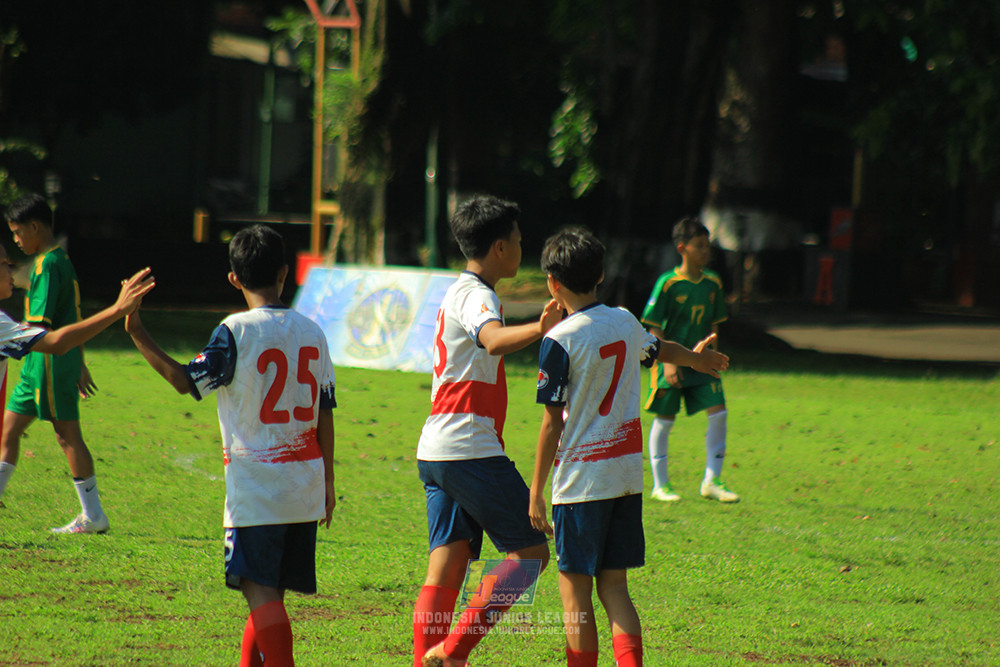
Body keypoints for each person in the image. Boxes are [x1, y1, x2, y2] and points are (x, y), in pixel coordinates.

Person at [124, 224, 336, 667]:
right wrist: (328, 483)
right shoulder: (313, 331)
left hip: (257, 491)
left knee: (259, 593)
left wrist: (137, 330)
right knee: (268, 594)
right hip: (304, 485)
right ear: (285, 272)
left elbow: (186, 381)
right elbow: (324, 412)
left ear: (234, 279)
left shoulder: (234, 330)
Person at [528, 227, 729, 667]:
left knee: (575, 591)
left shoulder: (558, 340)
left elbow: (549, 426)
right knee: (615, 588)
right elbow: (659, 350)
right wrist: (698, 360)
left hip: (580, 485)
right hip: (624, 479)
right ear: (600, 275)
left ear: (552, 283)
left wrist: (536, 491)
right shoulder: (623, 319)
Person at [414, 195, 563, 667]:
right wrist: (540, 328)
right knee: (533, 554)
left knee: (449, 563)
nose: (523, 248)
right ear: (500, 247)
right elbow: (493, 339)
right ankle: (451, 652)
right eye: (519, 241)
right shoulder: (478, 295)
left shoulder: (457, 290)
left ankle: (427, 661)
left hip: (438, 446)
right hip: (467, 447)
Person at [0, 193, 131, 533]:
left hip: (48, 362)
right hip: (40, 362)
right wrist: (81, 359)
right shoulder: (61, 259)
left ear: (34, 226)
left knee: (66, 434)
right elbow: (72, 315)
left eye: (17, 232)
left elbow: (42, 328)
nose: (15, 240)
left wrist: (71, 358)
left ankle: (93, 515)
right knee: (8, 431)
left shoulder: (46, 264)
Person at [0, 243, 154, 515]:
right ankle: (93, 515)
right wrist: (118, 310)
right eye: (5, 264)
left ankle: (92, 515)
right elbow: (56, 342)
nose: (12, 270)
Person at [641, 217, 739, 503]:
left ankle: (712, 480)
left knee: (719, 412)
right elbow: (654, 326)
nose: (705, 251)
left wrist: (715, 357)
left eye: (707, 246)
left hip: (702, 363)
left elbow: (714, 325)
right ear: (682, 248)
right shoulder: (668, 283)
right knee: (665, 418)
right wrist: (667, 362)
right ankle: (661, 485)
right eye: (699, 246)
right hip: (673, 360)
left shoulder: (713, 283)